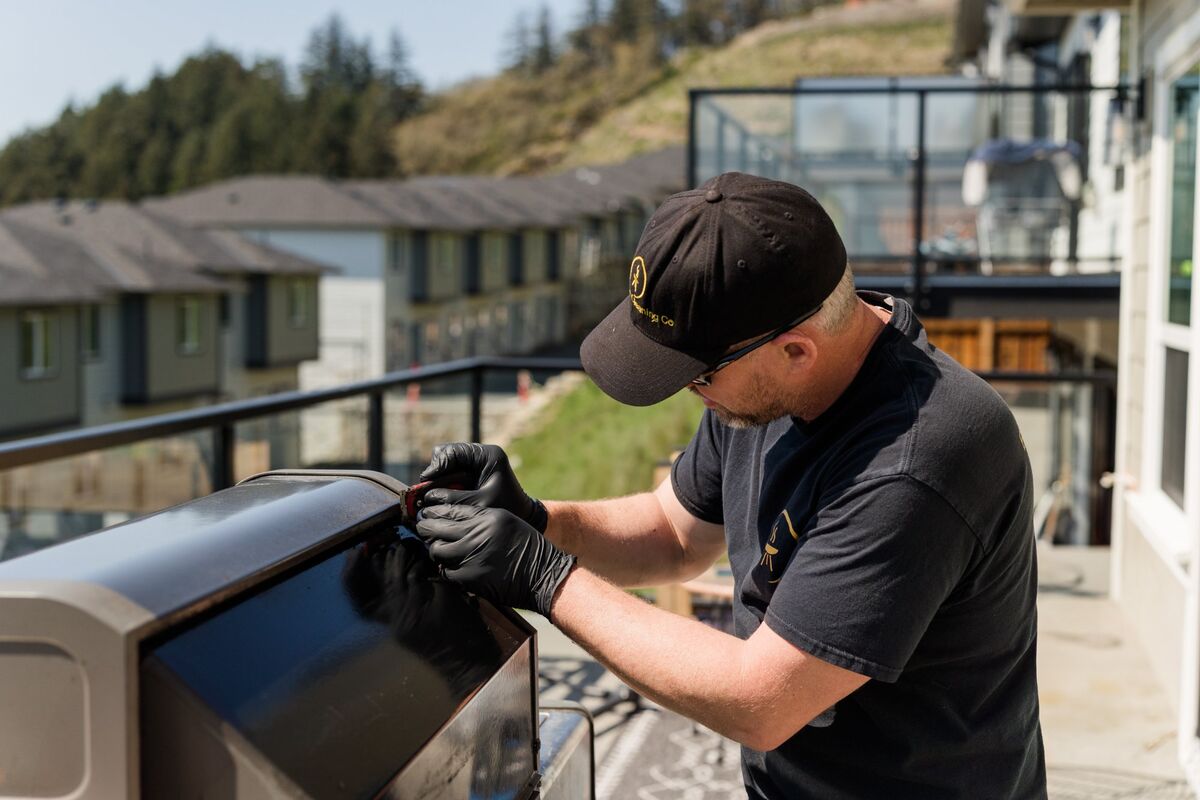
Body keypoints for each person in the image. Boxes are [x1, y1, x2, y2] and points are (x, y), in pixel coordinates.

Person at [414, 172, 1046, 799]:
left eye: (700, 375)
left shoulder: (913, 460)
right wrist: (539, 521)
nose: (692, 392)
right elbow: (674, 533)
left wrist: (546, 578)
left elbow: (761, 700)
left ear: (796, 352)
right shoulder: (763, 378)